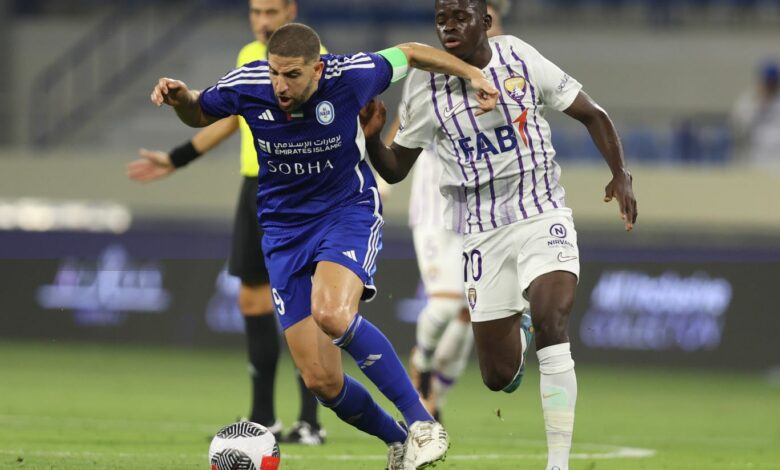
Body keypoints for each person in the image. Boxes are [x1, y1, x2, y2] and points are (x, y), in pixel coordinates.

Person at [149, 22, 500, 469]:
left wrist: (471, 75)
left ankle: (421, 422)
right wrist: (181, 99)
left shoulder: (352, 74)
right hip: (281, 232)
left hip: (345, 214)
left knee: (332, 313)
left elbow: (410, 53)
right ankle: (398, 443)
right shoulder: (249, 84)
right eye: (275, 73)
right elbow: (200, 112)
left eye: (292, 75)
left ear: (317, 69)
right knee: (320, 379)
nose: (279, 85)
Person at [362, 1, 638, 469]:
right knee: (498, 376)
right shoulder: (424, 86)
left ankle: (558, 462)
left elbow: (593, 113)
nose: (449, 27)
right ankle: (520, 333)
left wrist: (621, 174)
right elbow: (396, 167)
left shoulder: (520, 59)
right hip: (481, 233)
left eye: (461, 17)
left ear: (485, 22)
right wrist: (371, 139)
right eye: (442, 20)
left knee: (554, 319)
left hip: (540, 212)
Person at [127, 0, 327, 445]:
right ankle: (264, 418)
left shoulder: (310, 60)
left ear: (290, 10)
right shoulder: (246, 58)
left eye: (271, 11)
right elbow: (230, 119)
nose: (262, 20)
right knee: (253, 302)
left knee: (310, 307)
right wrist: (179, 157)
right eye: (255, 11)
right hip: (255, 187)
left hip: (302, 191)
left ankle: (310, 421)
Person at [396, 0, 512, 422]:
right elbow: (404, 129)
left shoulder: (512, 70)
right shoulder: (439, 64)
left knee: (471, 312)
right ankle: (420, 362)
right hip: (435, 200)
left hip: (482, 202)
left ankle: (435, 402)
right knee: (445, 304)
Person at [731, 60, 780, 167]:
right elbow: (738, 127)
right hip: (756, 158)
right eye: (767, 82)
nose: (770, 86)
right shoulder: (748, 101)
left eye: (773, 82)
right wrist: (759, 105)